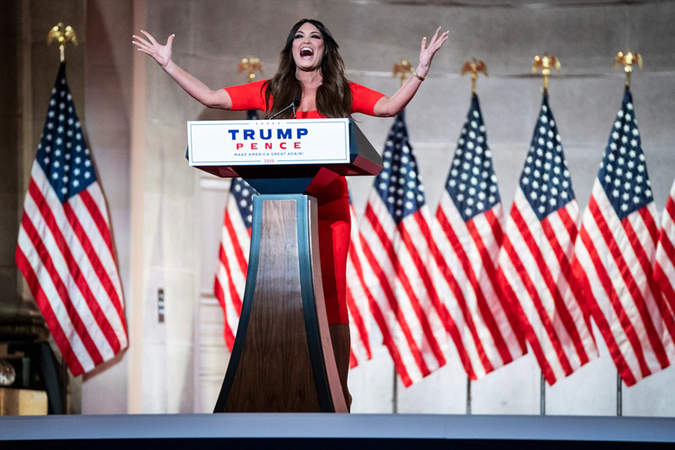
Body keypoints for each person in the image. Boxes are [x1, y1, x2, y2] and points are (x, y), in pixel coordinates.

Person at [133, 18, 447, 409]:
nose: (306, 41)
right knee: (280, 291)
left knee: (331, 290)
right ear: (291, 49)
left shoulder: (341, 93)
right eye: (299, 35)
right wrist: (168, 65)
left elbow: (386, 107)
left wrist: (419, 73)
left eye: (314, 36)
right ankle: (278, 376)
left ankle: (336, 387)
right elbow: (214, 98)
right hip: (282, 206)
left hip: (329, 207)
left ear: (324, 50)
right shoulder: (273, 92)